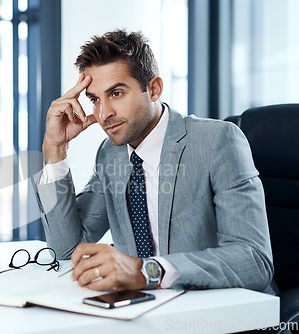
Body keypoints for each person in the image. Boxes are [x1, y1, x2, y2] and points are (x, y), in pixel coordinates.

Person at [35, 29, 275, 294]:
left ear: (154, 89)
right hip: (146, 311)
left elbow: (254, 260)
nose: (103, 114)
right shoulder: (110, 154)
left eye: (116, 93)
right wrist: (55, 148)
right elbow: (67, 249)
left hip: (220, 309)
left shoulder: (217, 141)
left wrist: (148, 272)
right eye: (94, 99)